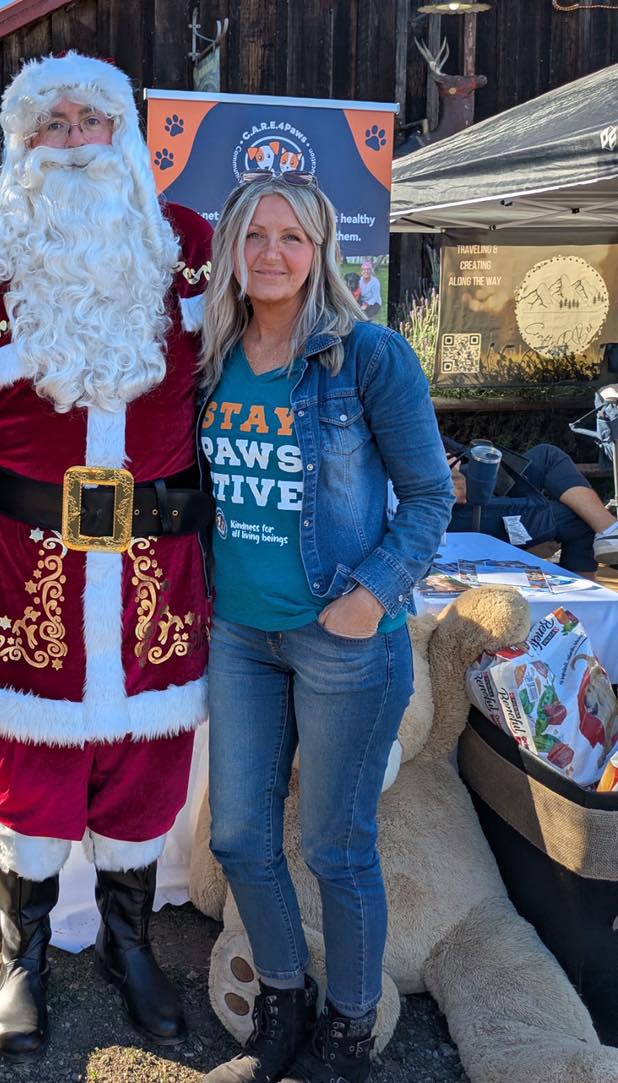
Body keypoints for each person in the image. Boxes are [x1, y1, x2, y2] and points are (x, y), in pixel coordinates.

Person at [0, 51, 214, 1061]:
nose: (72, 140)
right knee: (27, 771)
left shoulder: (188, 249)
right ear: (19, 145)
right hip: (21, 562)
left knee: (147, 764)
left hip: (158, 567)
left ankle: (128, 942)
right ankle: (22, 956)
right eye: (49, 123)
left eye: (90, 120)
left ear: (124, 137)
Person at [198, 173, 453, 1083]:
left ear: (321, 253)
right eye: (255, 235)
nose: (271, 253)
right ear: (230, 248)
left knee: (336, 845)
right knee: (239, 837)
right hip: (239, 636)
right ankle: (282, 996)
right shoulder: (209, 354)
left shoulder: (367, 356)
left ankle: (349, 1026)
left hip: (343, 637)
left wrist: (375, 593)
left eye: (292, 237)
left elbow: (430, 495)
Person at [446, 438, 618, 572]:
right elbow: (457, 493)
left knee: (546, 455)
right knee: (577, 518)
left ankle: (611, 531)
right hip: (459, 512)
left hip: (479, 488)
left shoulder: (423, 425)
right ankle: (586, 605)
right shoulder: (421, 430)